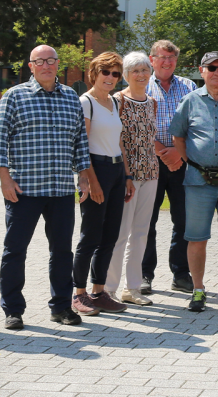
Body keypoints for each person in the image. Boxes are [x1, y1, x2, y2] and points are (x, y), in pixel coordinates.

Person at [0, 44, 92, 329]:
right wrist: (4, 178)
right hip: (24, 189)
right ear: (31, 66)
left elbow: (80, 141)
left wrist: (83, 175)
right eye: (40, 61)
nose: (46, 65)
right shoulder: (14, 96)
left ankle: (61, 307)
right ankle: (13, 310)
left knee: (61, 251)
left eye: (51, 60)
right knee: (15, 250)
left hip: (60, 189)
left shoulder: (71, 97)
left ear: (58, 64)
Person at [170, 51, 218, 314]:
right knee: (196, 238)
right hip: (198, 181)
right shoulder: (189, 101)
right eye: (211, 68)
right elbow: (178, 137)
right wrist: (193, 163)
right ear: (201, 71)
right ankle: (198, 290)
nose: (217, 72)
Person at [72, 52, 132, 317]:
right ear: (94, 73)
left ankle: (99, 292)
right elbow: (81, 145)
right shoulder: (86, 103)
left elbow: (120, 142)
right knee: (90, 236)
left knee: (110, 235)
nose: (110, 77)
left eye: (115, 73)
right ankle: (78, 294)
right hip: (95, 169)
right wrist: (91, 180)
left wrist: (127, 177)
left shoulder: (113, 103)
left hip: (117, 170)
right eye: (105, 72)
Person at [105, 52, 160, 305]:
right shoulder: (117, 101)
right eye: (135, 70)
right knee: (120, 233)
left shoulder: (152, 102)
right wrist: (126, 175)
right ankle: (108, 288)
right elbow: (117, 141)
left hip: (150, 173)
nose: (141, 74)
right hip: (126, 176)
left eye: (145, 69)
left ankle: (133, 288)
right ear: (125, 75)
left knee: (141, 233)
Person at [143, 40, 196, 294]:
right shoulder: (140, 82)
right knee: (146, 220)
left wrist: (178, 152)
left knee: (183, 220)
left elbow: (197, 123)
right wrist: (161, 151)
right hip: (149, 162)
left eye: (172, 57)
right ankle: (144, 274)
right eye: (162, 57)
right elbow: (131, 123)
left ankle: (181, 273)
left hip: (181, 161)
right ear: (151, 59)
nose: (167, 62)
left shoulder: (189, 86)